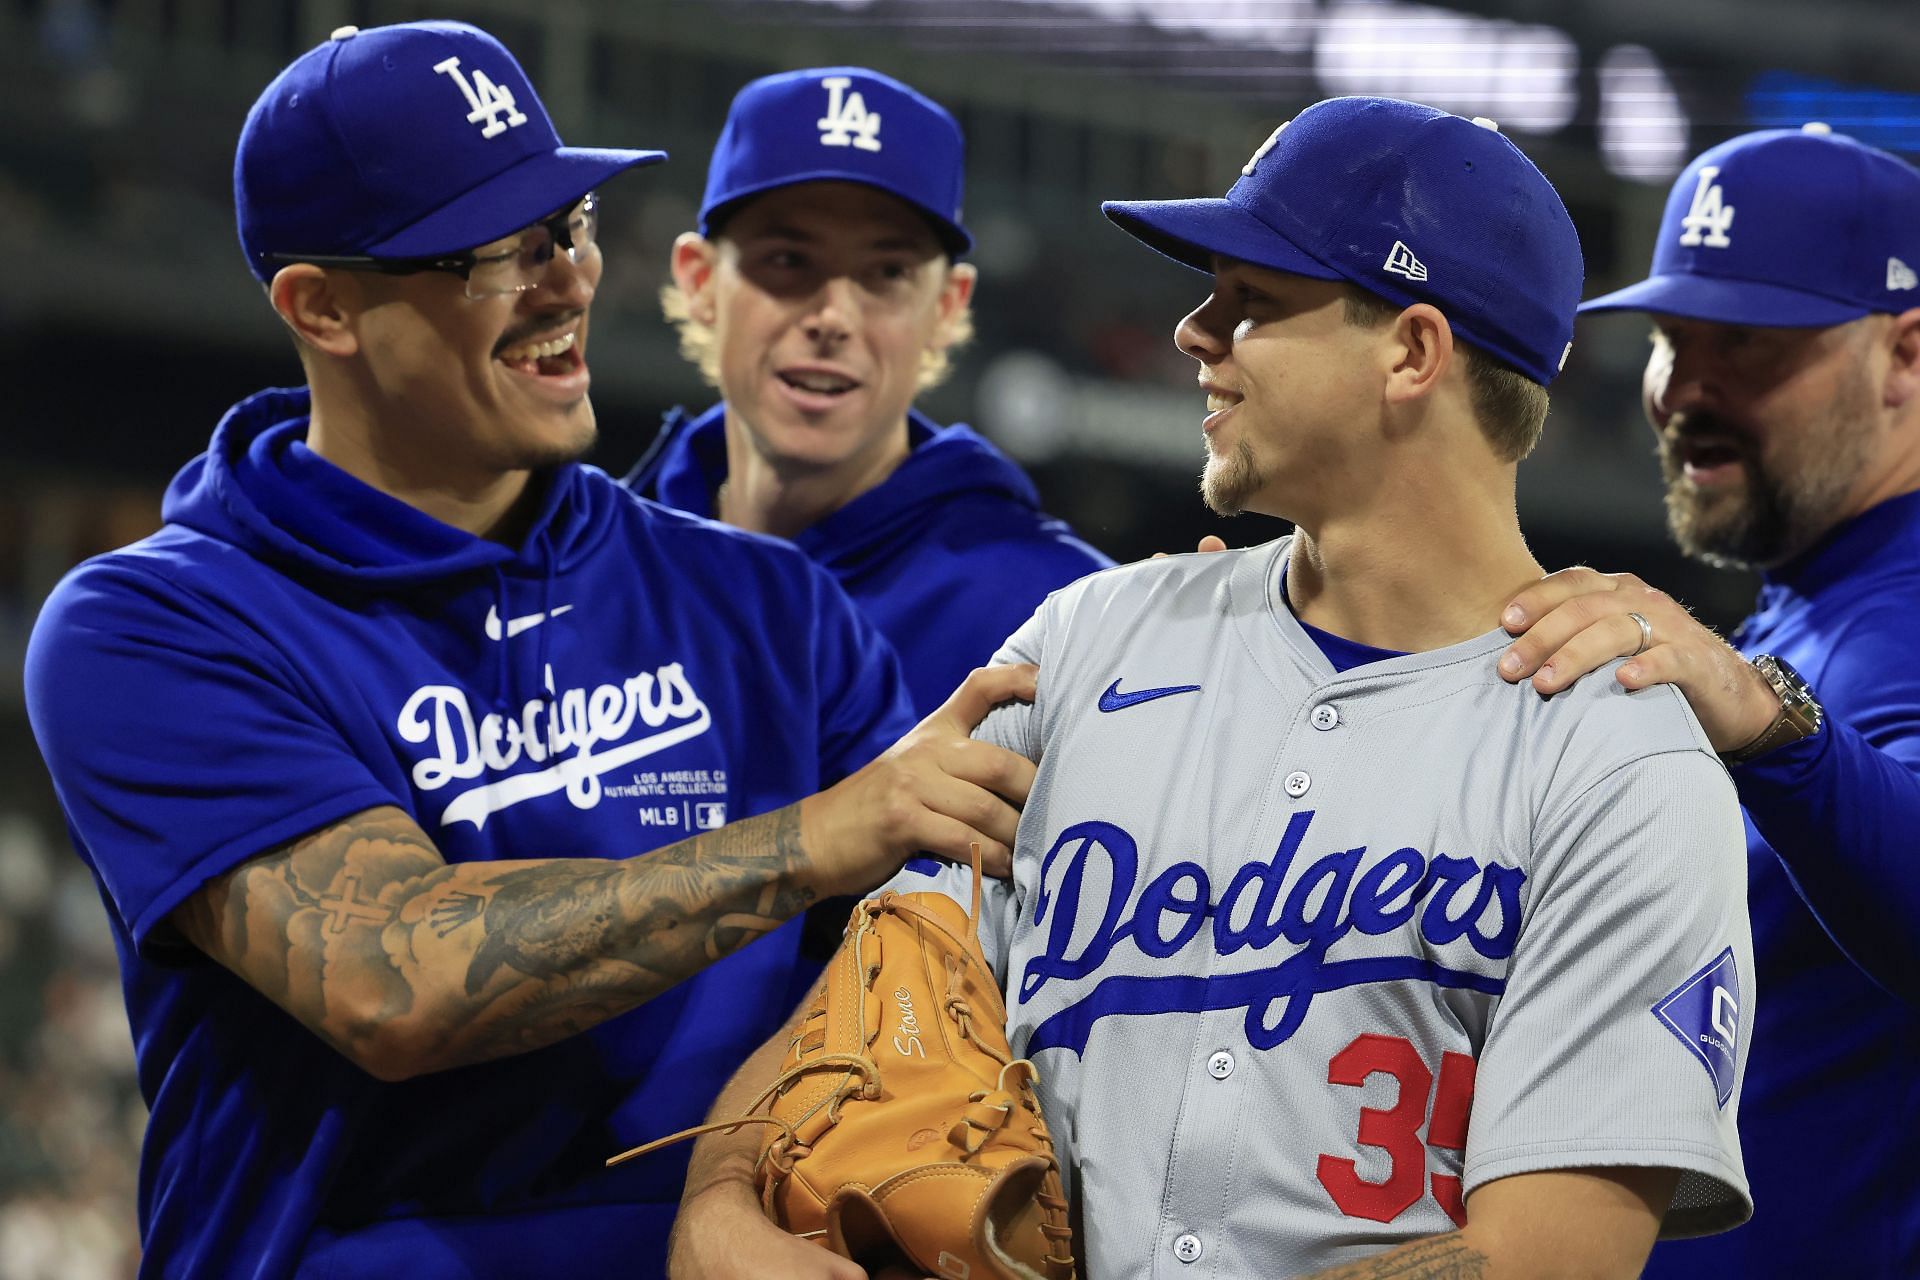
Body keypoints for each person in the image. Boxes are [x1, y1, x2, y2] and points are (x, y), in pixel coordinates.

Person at [669, 96, 1756, 1279]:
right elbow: (882, 980)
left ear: (1411, 353)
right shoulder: (1092, 639)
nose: (1194, 330)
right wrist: (719, 1199)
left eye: (1253, 300)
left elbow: (1548, 1260)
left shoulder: (1619, 759)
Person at [22, 21, 1038, 1279]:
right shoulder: (159, 625)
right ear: (321, 305)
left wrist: (720, 1194)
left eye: (567, 225)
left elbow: (882, 972)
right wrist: (818, 834)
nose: (563, 282)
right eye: (490, 254)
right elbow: (395, 979)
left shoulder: (770, 607)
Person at [1496, 123, 1920, 1274]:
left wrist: (1765, 715)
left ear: (1908, 354)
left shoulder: (1896, 617)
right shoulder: (1815, 605)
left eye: (1748, 341)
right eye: (1674, 339)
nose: (1686, 389)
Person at [623, 67, 1111, 718]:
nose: (834, 317)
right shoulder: (590, 565)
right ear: (700, 281)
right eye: (789, 261)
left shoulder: (1063, 613)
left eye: (886, 272)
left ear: (946, 307)